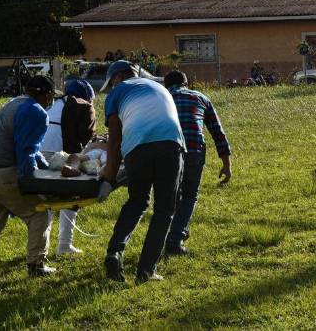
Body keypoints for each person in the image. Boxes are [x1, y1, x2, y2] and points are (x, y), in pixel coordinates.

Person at [0, 75, 59, 288]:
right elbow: (26, 153)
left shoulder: (14, 103)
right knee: (39, 212)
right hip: (2, 172)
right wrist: (35, 183)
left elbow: (31, 150)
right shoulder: (36, 111)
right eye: (51, 96)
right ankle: (36, 265)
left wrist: (48, 168)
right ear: (46, 94)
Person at [98, 60, 185, 284]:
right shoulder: (159, 87)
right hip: (170, 144)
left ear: (116, 78)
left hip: (137, 147)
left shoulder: (116, 93)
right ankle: (146, 271)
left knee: (137, 201)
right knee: (165, 209)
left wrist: (109, 179)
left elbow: (115, 139)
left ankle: (114, 252)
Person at [163, 70, 232, 256]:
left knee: (171, 195)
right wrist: (226, 164)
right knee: (190, 195)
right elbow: (218, 133)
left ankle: (173, 233)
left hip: (166, 150)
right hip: (194, 150)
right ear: (187, 84)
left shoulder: (162, 98)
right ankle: (175, 238)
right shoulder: (201, 97)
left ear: (165, 85)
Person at [40, 79, 96, 256]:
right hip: (62, 155)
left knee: (47, 201)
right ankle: (64, 245)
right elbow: (86, 138)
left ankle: (41, 248)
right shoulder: (83, 106)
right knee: (71, 197)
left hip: (40, 154)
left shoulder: (51, 103)